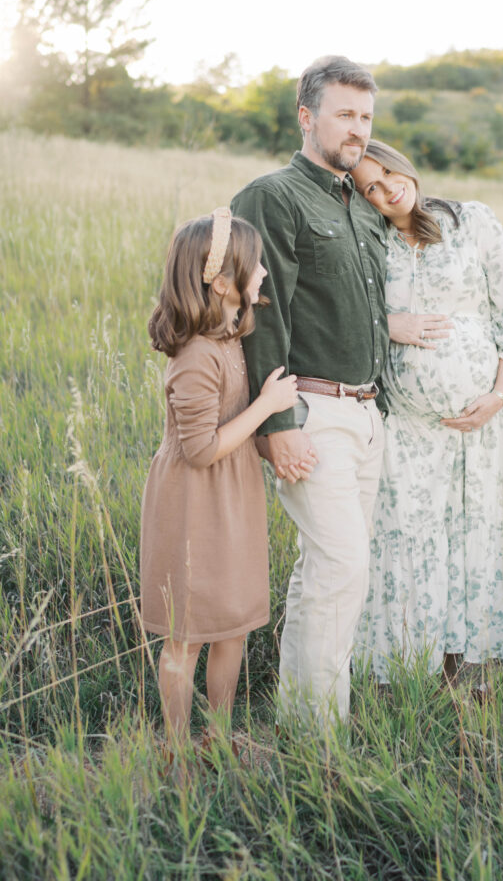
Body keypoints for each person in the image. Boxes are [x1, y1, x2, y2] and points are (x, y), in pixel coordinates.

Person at [230, 56, 387, 724]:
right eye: (344, 114)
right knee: (342, 566)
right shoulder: (273, 197)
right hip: (311, 410)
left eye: (366, 117)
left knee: (329, 573)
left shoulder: (358, 202)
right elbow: (263, 313)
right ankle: (324, 741)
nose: (357, 129)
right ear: (306, 116)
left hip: (367, 413)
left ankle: (302, 720)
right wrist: (279, 424)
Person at [350, 139, 503, 685]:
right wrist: (389, 325)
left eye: (387, 173)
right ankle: (412, 664)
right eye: (371, 188)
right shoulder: (369, 239)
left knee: (479, 533)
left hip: (485, 423)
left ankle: (473, 670)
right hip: (409, 427)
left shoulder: (472, 221)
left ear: (402, 162)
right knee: (412, 541)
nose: (388, 189)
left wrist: (499, 394)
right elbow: (347, 313)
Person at [140, 208, 298, 749]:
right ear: (224, 282)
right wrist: (268, 406)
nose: (264, 276)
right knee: (186, 636)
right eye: (256, 267)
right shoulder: (196, 355)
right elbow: (202, 449)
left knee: (234, 622)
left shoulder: (233, 339)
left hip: (234, 497)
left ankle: (220, 735)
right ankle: (179, 748)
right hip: (191, 502)